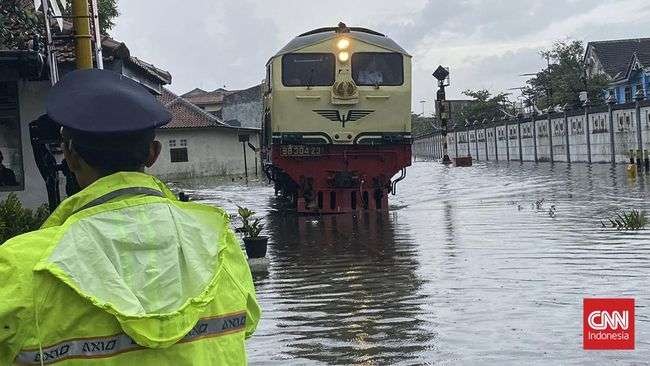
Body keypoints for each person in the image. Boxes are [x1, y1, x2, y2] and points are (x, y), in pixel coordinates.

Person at [0, 69, 260, 365]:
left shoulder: (22, 265)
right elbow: (246, 326)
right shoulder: (218, 243)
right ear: (153, 154)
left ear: (70, 156)